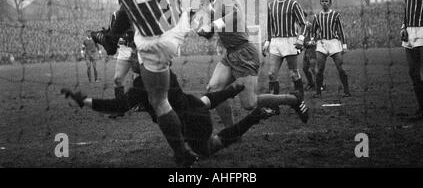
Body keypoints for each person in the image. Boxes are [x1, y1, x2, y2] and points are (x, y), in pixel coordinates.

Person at [81, 0, 212, 167]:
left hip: (152, 44)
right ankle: (112, 39)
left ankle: (181, 152)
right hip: (177, 30)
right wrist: (205, 12)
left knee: (159, 101)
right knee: (142, 15)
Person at [60, 69, 308, 162]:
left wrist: (85, 101)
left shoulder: (140, 85)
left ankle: (253, 118)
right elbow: (204, 102)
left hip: (187, 124)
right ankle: (236, 95)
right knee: (201, 102)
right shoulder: (166, 70)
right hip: (196, 108)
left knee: (209, 149)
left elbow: (118, 106)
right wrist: (231, 90)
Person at [197, 0, 308, 125]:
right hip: (230, 55)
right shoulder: (213, 2)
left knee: (249, 104)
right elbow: (213, 31)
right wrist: (204, 30)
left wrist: (212, 24)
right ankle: (232, 132)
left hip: (244, 54)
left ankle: (294, 99)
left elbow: (236, 15)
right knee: (214, 89)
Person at [262, 0, 307, 97]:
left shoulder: (293, 4)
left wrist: (301, 39)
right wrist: (267, 41)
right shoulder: (271, 6)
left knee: (293, 73)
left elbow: (304, 24)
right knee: (271, 74)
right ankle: (274, 105)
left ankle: (300, 99)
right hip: (276, 43)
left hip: (289, 41)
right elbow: (269, 25)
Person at [401, 0, 423, 121]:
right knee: (413, 72)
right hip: (409, 32)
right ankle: (422, 108)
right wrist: (403, 27)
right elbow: (406, 10)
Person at [311, 0, 350, 98]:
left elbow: (341, 31)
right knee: (320, 69)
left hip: (334, 42)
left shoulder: (335, 15)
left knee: (340, 68)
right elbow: (313, 31)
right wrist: (312, 40)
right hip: (322, 43)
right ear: (320, 3)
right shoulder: (317, 16)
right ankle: (318, 92)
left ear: (330, 3)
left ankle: (346, 90)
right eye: (322, 1)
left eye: (326, 1)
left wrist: (344, 45)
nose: (324, 3)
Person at [302, 11, 317, 91]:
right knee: (305, 68)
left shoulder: (309, 26)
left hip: (312, 49)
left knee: (312, 68)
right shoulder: (301, 26)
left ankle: (320, 84)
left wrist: (311, 42)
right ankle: (311, 83)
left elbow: (315, 36)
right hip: (306, 50)